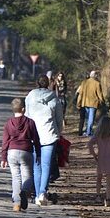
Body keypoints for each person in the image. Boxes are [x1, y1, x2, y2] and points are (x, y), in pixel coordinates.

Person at [24, 74, 64, 206]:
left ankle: (36, 194)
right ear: (48, 84)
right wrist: (57, 133)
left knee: (36, 166)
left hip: (34, 135)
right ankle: (42, 192)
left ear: (37, 83)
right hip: (49, 135)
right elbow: (59, 119)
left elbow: (27, 116)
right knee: (46, 165)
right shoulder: (54, 98)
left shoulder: (30, 97)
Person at [0, 98, 40, 212]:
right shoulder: (30, 122)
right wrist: (38, 153)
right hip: (26, 151)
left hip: (12, 152)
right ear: (23, 109)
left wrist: (3, 157)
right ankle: (24, 191)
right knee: (28, 177)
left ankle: (17, 203)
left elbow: (5, 141)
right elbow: (36, 139)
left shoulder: (8, 123)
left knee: (16, 177)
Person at [87, 114, 110, 207]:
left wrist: (94, 154)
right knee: (109, 180)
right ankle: (108, 199)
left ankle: (97, 195)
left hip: (101, 158)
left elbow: (89, 144)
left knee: (99, 178)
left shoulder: (98, 135)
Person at [76, 69, 106, 137]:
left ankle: (87, 130)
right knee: (91, 118)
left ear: (90, 75)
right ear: (95, 76)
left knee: (87, 118)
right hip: (93, 103)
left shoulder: (84, 82)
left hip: (85, 102)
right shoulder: (97, 84)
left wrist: (78, 103)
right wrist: (103, 102)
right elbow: (100, 94)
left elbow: (80, 94)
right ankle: (88, 132)